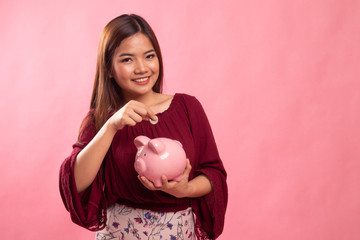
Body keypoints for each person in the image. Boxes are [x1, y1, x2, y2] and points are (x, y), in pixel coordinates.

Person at [59, 14, 228, 240]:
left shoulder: (188, 107)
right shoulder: (100, 119)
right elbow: (75, 182)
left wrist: (185, 190)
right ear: (108, 68)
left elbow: (214, 173)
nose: (141, 68)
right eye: (127, 59)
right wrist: (111, 126)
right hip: (119, 233)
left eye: (149, 56)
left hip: (177, 232)